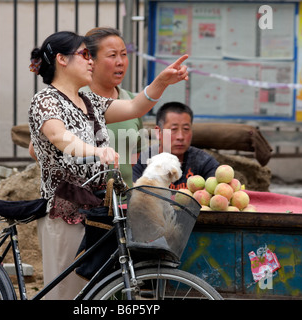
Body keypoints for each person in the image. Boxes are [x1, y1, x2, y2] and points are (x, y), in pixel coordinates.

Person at [28, 31, 189, 299]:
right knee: (68, 294)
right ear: (61, 59)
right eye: (84, 55)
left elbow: (135, 107)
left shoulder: (89, 101)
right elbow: (58, 136)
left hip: (100, 211)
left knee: (96, 294)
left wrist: (162, 82)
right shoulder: (45, 100)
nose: (90, 61)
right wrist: (94, 151)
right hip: (66, 212)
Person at [81, 27, 143, 187]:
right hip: (84, 204)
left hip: (124, 204)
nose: (120, 62)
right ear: (90, 60)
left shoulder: (133, 102)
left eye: (123, 54)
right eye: (112, 55)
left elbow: (137, 155)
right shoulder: (73, 99)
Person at [132, 101, 219, 190]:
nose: (180, 137)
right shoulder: (142, 161)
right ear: (158, 132)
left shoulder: (204, 162)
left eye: (186, 129)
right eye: (174, 129)